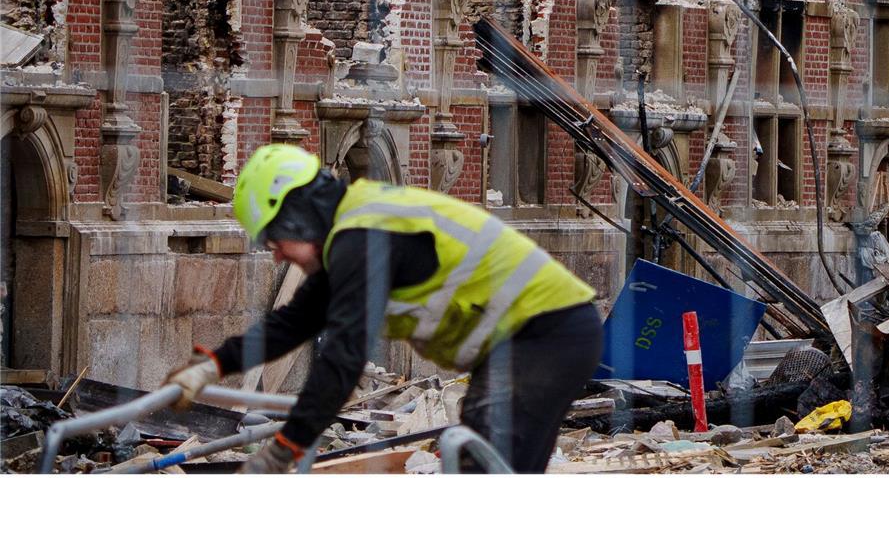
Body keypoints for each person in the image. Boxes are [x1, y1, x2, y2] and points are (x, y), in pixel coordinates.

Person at [165, 143, 603, 473]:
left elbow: (343, 357)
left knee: (482, 465)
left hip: (546, 335)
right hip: (539, 339)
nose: (276, 255)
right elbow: (292, 322)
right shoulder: (352, 234)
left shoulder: (364, 238)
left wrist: (285, 449)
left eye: (273, 240)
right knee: (489, 462)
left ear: (296, 216)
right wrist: (212, 366)